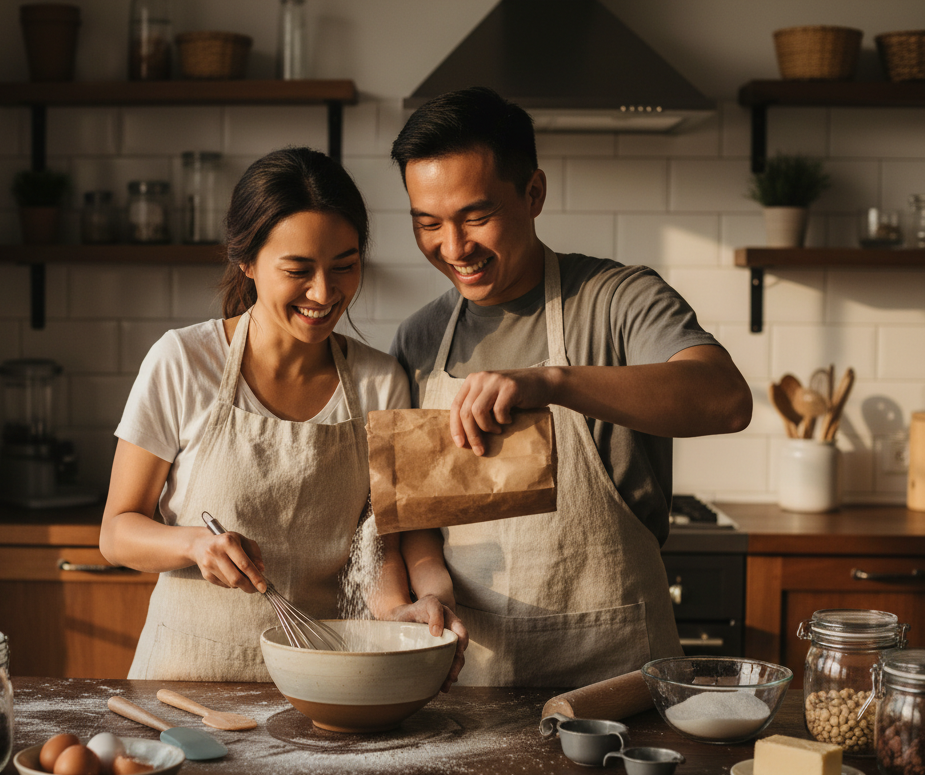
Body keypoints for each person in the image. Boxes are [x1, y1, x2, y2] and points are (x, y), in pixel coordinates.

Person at [388, 87, 753, 687]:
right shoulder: (420, 340)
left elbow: (726, 400)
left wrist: (552, 382)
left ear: (533, 194)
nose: (453, 248)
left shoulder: (618, 299)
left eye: (476, 217)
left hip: (619, 681)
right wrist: (430, 595)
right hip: (472, 680)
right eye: (428, 224)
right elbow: (416, 516)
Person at [100, 146, 467, 685]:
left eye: (345, 266)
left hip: (322, 681)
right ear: (246, 262)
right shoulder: (182, 361)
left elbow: (381, 540)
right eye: (298, 270)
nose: (324, 293)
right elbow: (116, 533)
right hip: (186, 678)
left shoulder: (380, 382)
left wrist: (398, 613)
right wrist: (193, 544)